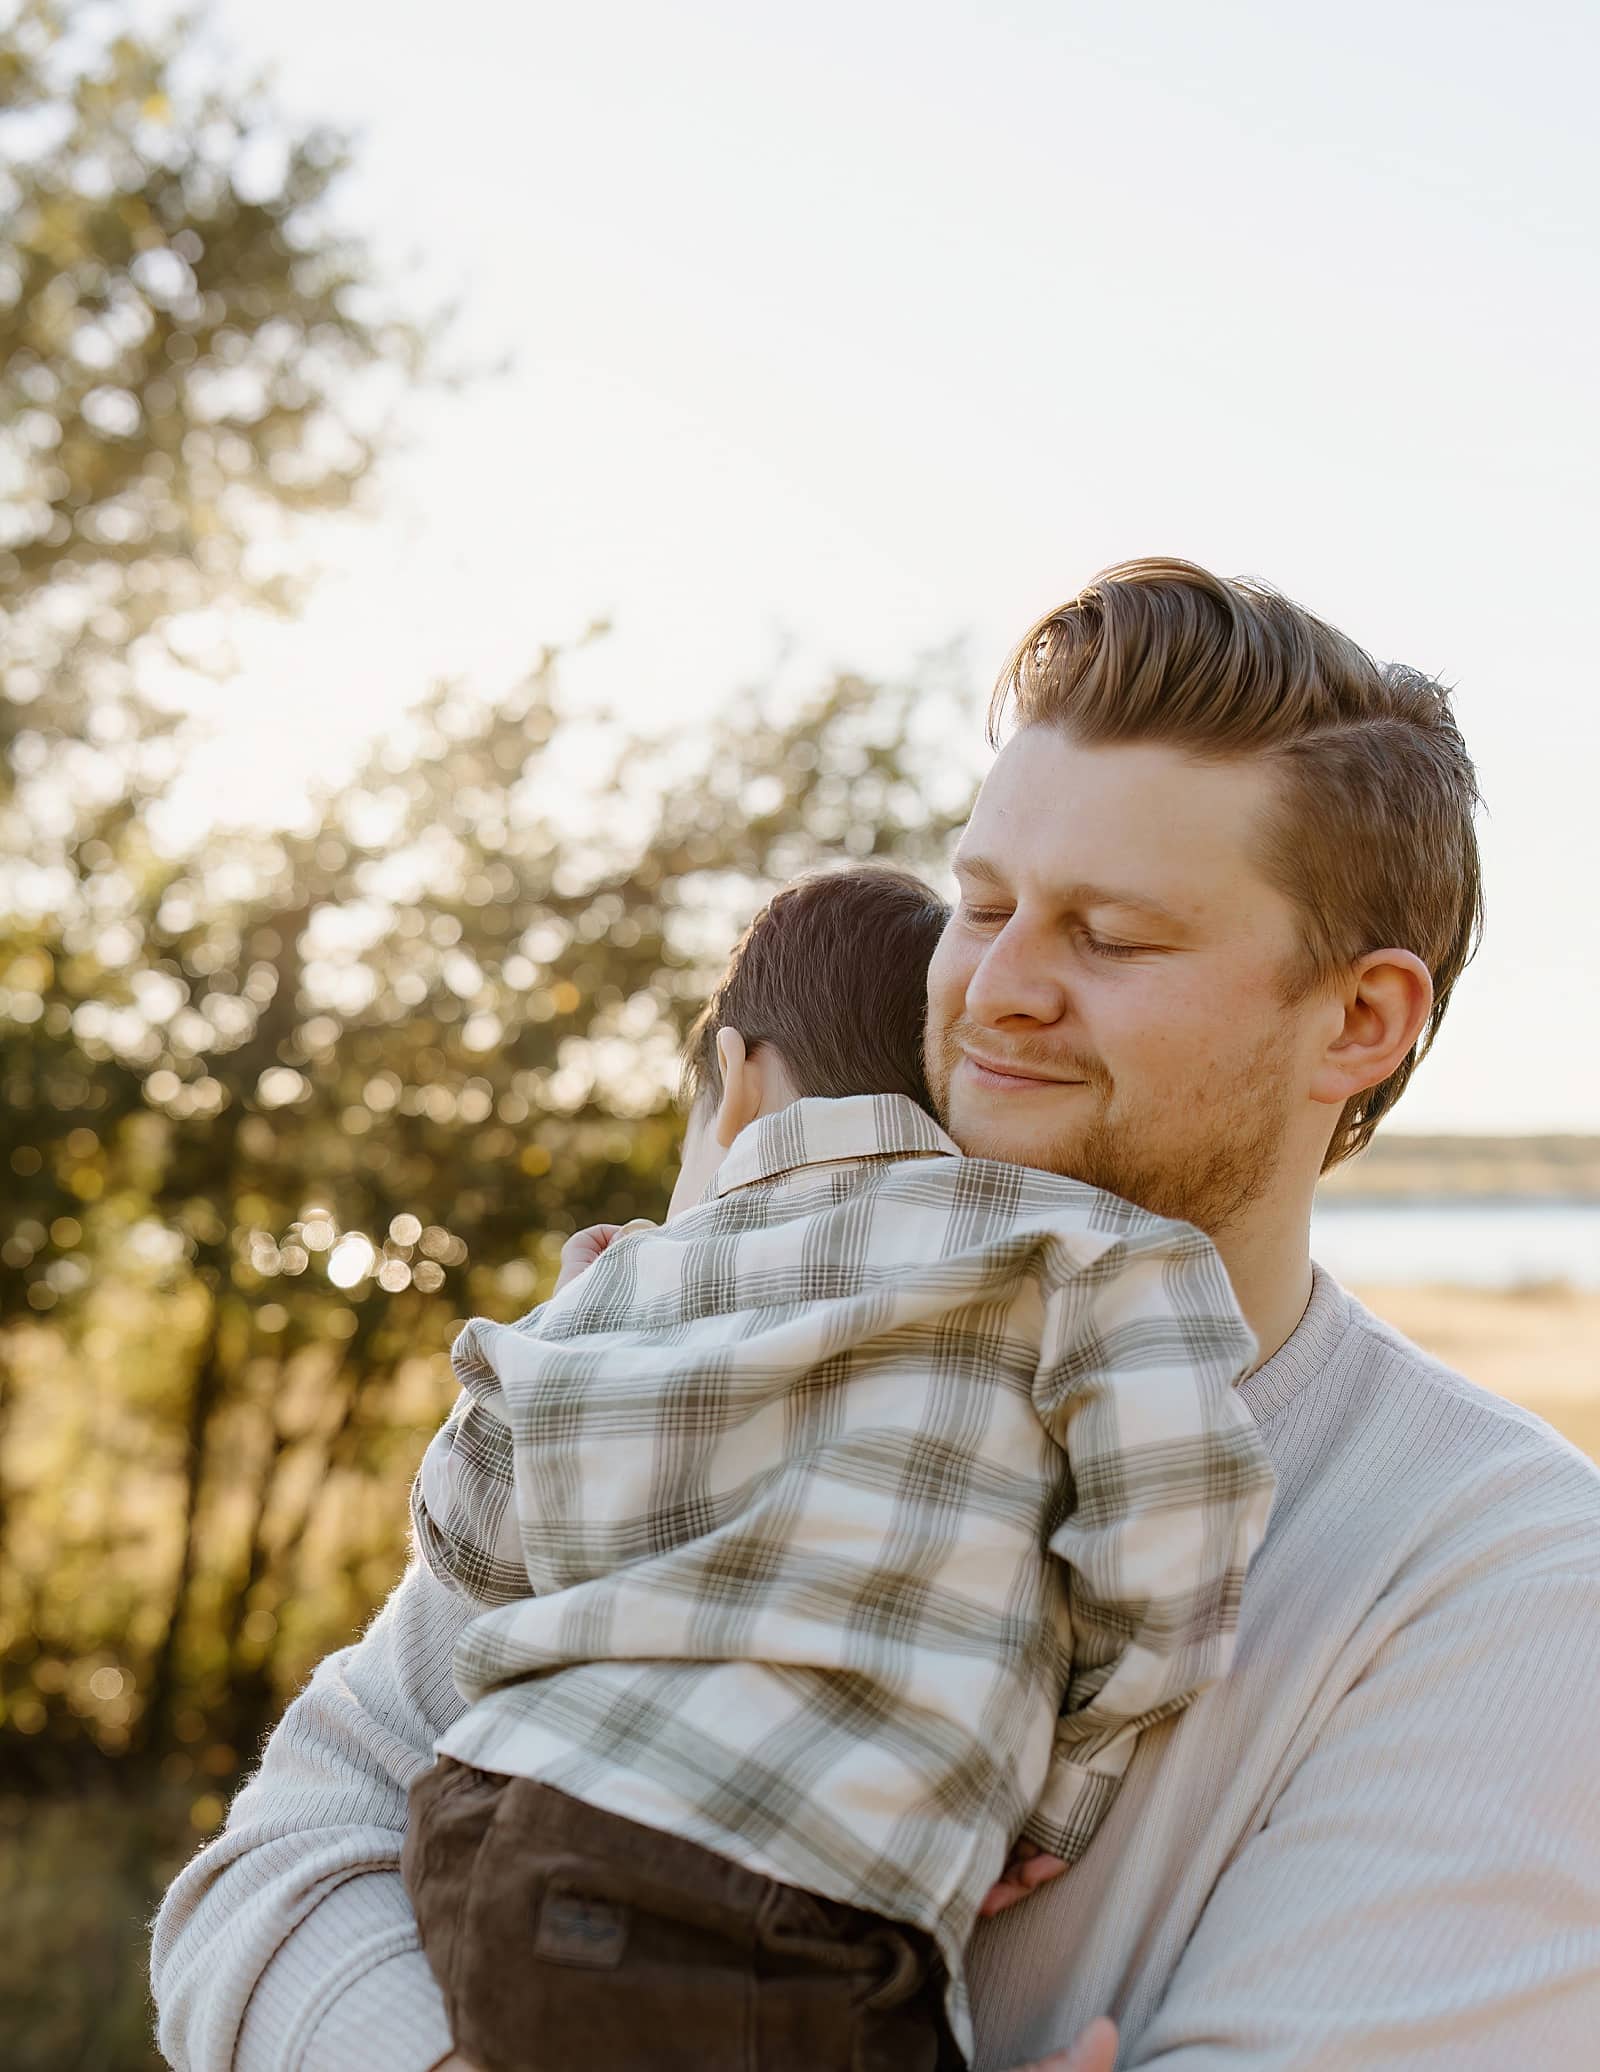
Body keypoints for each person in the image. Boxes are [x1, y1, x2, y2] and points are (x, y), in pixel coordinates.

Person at [150, 559, 1600, 2070]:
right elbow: (273, 1876)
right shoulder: (721, 1356)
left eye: (1110, 937)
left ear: (1361, 1022)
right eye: (982, 906)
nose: (998, 991)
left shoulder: (1512, 1587)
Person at [397, 864, 1273, 2071]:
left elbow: (469, 1548)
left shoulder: (622, 1278)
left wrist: (573, 1323)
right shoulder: (1078, 1247)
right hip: (789, 1888)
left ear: (742, 1079)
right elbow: (1172, 1536)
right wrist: (1054, 1788)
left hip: (486, 1827)